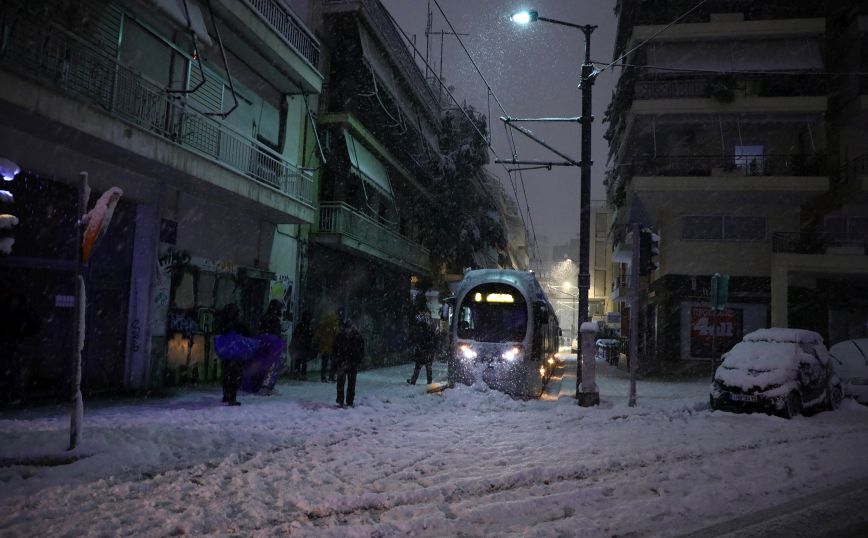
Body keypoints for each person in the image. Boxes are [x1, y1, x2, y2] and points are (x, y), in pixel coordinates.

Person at [216, 303, 249, 406]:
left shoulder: (224, 323)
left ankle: (226, 395)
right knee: (234, 375)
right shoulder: (237, 324)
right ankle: (232, 398)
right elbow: (247, 332)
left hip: (226, 352)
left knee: (227, 374)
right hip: (235, 352)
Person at [256, 299, 286, 395]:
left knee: (264, 365)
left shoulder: (264, 317)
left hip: (263, 344)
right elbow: (276, 333)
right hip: (273, 345)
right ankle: (267, 386)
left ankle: (261, 385)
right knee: (272, 366)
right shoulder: (274, 319)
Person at [333, 318, 365, 408]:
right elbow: (335, 349)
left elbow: (361, 350)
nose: (347, 330)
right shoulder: (341, 336)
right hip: (343, 361)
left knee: (351, 383)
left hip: (351, 362)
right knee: (341, 382)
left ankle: (349, 401)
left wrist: (358, 360)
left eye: (349, 328)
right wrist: (337, 360)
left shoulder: (357, 337)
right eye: (346, 328)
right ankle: (341, 400)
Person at [407, 312, 436, 385]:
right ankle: (428, 381)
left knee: (419, 366)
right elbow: (432, 340)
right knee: (427, 366)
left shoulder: (422, 330)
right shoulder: (428, 330)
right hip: (426, 350)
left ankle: (414, 380)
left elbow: (418, 339)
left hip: (423, 350)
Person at [312, 310, 339, 383]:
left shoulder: (324, 325)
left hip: (327, 346)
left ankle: (325, 377)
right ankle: (329, 376)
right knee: (330, 362)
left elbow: (317, 335)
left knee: (326, 363)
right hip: (329, 346)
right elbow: (336, 335)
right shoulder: (331, 325)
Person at [289, 311, 314, 380]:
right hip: (302, 345)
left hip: (302, 345)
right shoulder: (305, 326)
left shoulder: (304, 325)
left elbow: (296, 335)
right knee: (301, 360)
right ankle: (300, 374)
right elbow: (297, 335)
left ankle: (299, 374)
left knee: (300, 360)